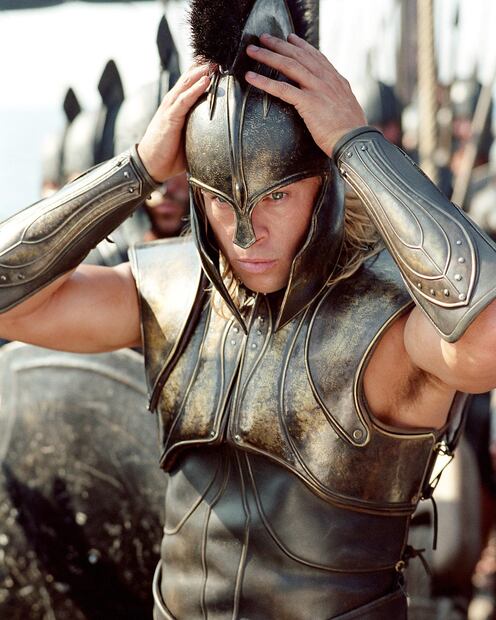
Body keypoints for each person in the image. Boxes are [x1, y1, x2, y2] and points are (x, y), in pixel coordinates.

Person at [1, 0, 496, 617]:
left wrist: (356, 145)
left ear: (325, 184)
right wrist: (137, 169)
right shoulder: (173, 294)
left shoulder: (390, 319)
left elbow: (488, 337)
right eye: (219, 199)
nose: (245, 234)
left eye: (277, 196)